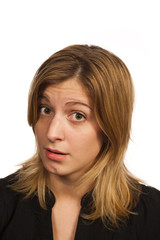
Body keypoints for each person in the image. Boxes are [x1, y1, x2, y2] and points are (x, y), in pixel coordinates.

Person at [0, 44, 160, 240]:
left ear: (111, 126)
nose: (52, 132)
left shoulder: (152, 215)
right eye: (45, 109)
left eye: (77, 115)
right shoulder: (4, 202)